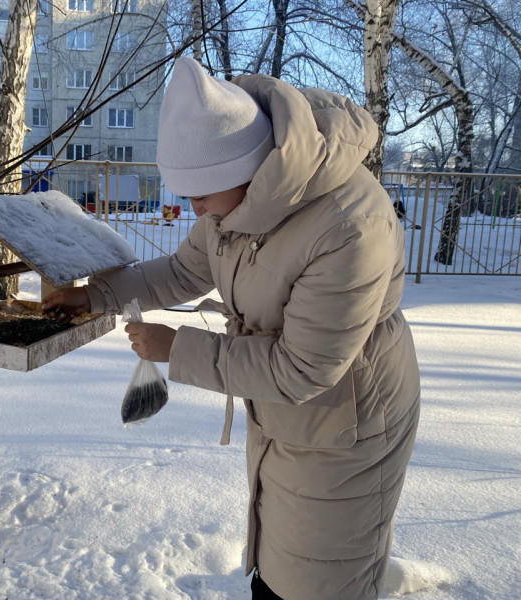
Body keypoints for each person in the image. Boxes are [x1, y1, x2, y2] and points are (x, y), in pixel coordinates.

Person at [42, 57, 420, 600]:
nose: (192, 207)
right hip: (281, 411)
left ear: (248, 172)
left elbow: (303, 368)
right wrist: (96, 294)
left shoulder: (349, 224)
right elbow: (182, 272)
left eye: (199, 194)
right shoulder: (231, 209)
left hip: (347, 418)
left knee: (322, 576)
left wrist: (178, 349)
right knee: (276, 557)